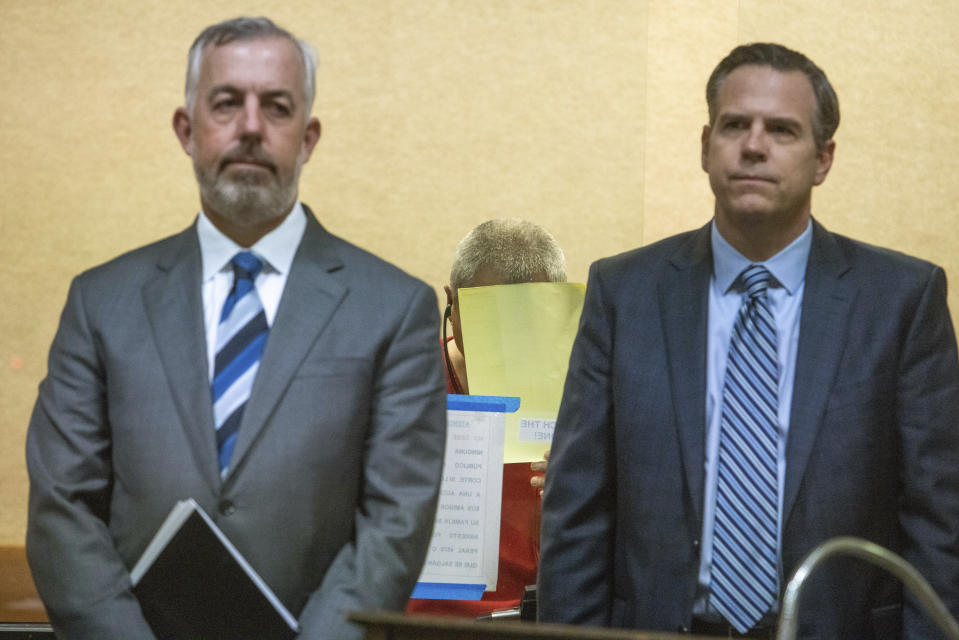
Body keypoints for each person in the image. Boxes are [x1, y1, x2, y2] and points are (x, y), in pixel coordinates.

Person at [25, 17, 446, 640]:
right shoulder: (101, 303)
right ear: (186, 130)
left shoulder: (394, 308)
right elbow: (63, 509)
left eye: (276, 108)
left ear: (307, 138)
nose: (251, 127)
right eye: (227, 103)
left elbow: (396, 519)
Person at [538, 42, 959, 639]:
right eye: (736, 125)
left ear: (823, 159)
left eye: (782, 130)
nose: (754, 145)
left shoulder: (901, 300)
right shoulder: (624, 292)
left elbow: (939, 523)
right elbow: (577, 512)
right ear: (706, 145)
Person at [407, 218, 564, 617]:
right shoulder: (405, 382)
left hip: (544, 615)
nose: (507, 336)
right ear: (451, 303)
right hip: (423, 616)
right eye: (488, 317)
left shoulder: (588, 389)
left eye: (525, 318)